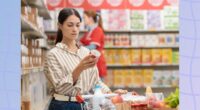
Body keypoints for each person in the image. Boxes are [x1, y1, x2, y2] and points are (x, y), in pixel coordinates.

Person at [44, 8, 127, 110]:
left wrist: (111, 94)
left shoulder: (85, 52)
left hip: (83, 104)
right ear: (60, 26)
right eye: (70, 25)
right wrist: (80, 68)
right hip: (62, 105)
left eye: (77, 25)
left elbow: (95, 82)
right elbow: (61, 88)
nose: (74, 29)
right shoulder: (53, 55)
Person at [80, 10, 107, 80]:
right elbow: (80, 42)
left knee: (99, 88)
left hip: (97, 62)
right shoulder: (89, 32)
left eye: (84, 18)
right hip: (90, 62)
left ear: (90, 18)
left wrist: (79, 49)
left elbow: (93, 46)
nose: (83, 20)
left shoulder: (98, 30)